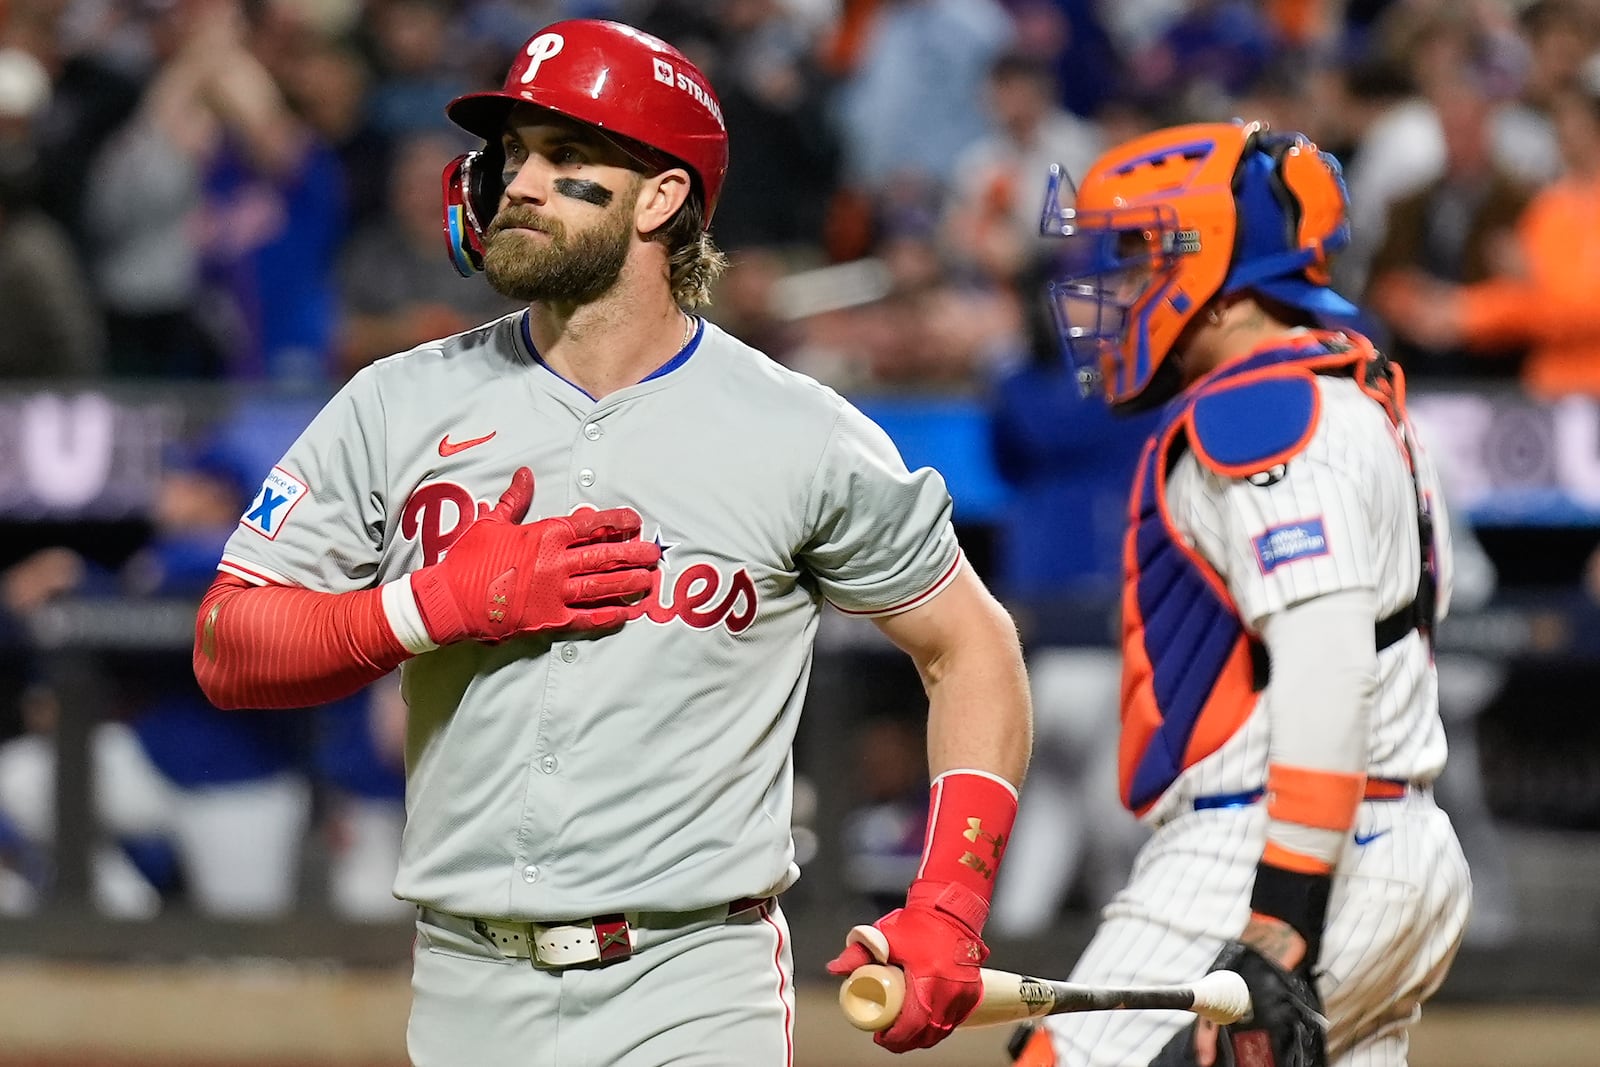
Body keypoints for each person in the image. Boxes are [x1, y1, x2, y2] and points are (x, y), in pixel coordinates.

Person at [189, 18, 1032, 1065]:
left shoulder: (801, 431)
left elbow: (973, 646)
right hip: (463, 980)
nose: (519, 183)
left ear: (663, 198)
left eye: (566, 156)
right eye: (514, 156)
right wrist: (434, 604)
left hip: (693, 980)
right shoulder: (394, 404)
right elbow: (228, 643)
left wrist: (947, 900)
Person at [1011, 121, 1472, 1067]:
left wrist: (1284, 914)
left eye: (1142, 252)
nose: (1121, 281)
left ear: (1210, 258)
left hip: (1280, 839)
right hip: (1382, 833)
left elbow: (1328, 658)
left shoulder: (1263, 414)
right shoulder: (1354, 394)